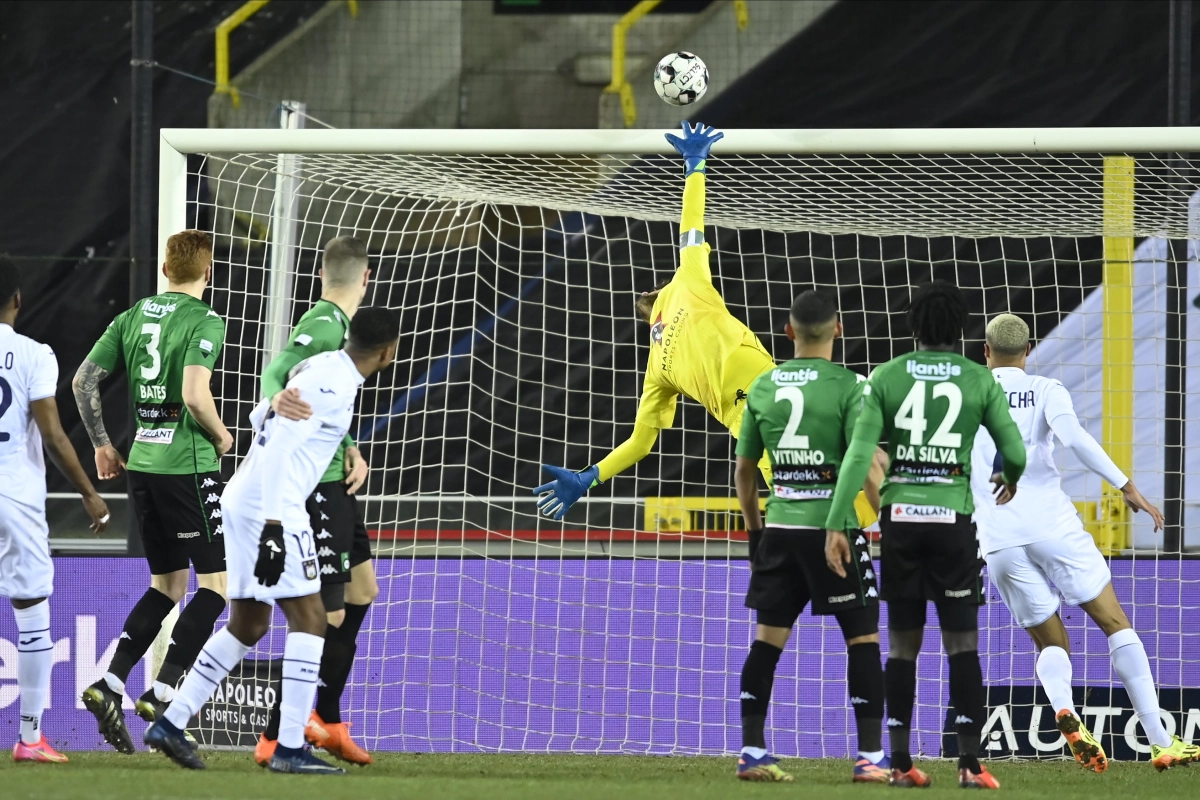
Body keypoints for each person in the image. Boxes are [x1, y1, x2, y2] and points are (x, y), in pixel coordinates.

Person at [534, 121, 881, 542]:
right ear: (654, 293)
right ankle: (902, 529)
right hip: (791, 399)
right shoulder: (686, 283)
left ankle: (857, 542)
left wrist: (590, 477)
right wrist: (695, 166)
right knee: (866, 463)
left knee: (818, 516)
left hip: (767, 421)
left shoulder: (656, 366)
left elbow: (640, 444)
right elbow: (690, 226)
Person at [144, 307, 400, 774]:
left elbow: (261, 413)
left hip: (246, 497)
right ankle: (287, 747)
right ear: (388, 353)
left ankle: (172, 722)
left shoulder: (319, 368)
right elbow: (281, 446)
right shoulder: (334, 384)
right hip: (272, 504)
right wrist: (277, 527)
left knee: (249, 623)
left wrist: (271, 411)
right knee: (312, 619)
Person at [971, 313, 1200, 773]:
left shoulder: (965, 395)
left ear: (985, 352)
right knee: (1115, 621)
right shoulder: (1046, 390)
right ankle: (1160, 740)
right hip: (1053, 527)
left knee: (1050, 642)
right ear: (1029, 350)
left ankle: (1064, 708)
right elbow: (1073, 437)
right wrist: (1126, 485)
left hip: (998, 539)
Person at [823, 280, 1026, 790]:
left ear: (912, 327)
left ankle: (899, 762)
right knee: (962, 644)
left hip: (901, 526)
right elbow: (1014, 450)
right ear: (961, 330)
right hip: (952, 526)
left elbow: (856, 455)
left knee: (901, 647)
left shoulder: (886, 377)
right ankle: (970, 764)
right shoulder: (980, 380)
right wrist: (1009, 473)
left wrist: (835, 522)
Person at [75, 229, 233, 753]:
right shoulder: (206, 320)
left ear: (166, 270)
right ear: (207, 273)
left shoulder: (135, 314)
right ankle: (163, 692)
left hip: (142, 463)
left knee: (167, 585)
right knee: (214, 586)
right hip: (188, 466)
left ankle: (110, 682)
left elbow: (83, 382)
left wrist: (101, 444)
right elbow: (193, 393)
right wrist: (220, 434)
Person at [733, 290, 886, 783]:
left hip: (778, 528)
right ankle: (870, 759)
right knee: (862, 639)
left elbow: (743, 473)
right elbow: (862, 464)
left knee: (767, 642)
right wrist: (892, 526)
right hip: (832, 531)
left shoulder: (762, 386)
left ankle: (752, 751)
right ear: (838, 329)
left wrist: (757, 536)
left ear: (788, 331)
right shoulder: (852, 387)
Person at [252, 236, 378, 766]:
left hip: (336, 477)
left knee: (363, 591)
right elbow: (277, 372)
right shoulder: (325, 323)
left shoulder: (337, 327)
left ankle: (327, 716)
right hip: (317, 489)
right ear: (365, 278)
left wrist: (351, 448)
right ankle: (277, 731)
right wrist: (276, 399)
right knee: (323, 615)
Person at [0, 258, 109, 762]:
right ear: (17, 299)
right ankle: (29, 738)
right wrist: (88, 490)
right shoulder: (34, 355)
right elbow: (52, 434)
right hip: (14, 499)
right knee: (32, 611)